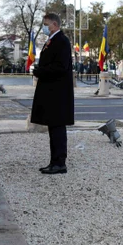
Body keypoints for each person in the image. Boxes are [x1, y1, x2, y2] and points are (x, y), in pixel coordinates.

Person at [30, 13, 75, 174]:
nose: (44, 27)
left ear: (54, 24)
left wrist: (40, 71)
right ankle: (54, 161)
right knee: (53, 128)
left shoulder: (61, 41)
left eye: (46, 24)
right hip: (52, 92)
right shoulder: (52, 40)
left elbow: (60, 67)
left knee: (57, 128)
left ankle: (59, 163)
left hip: (58, 93)